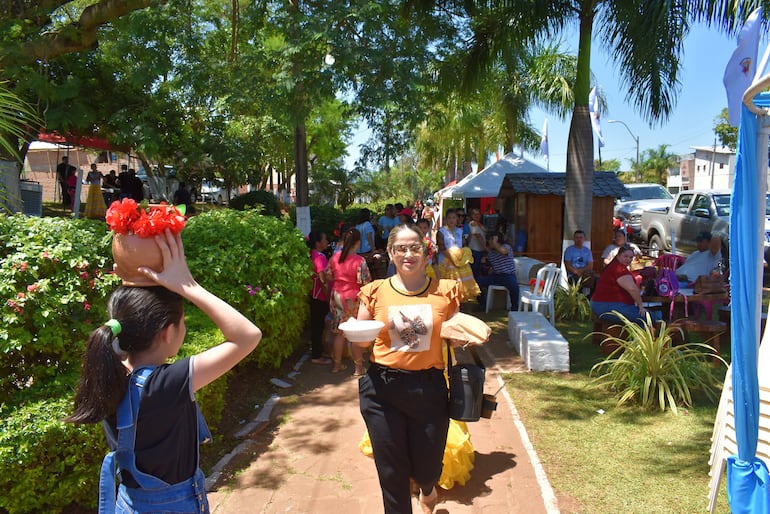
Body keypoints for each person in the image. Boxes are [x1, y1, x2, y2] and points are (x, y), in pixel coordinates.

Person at [65, 230, 262, 513]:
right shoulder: (165, 384)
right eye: (183, 322)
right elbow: (248, 336)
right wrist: (188, 285)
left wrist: (131, 278)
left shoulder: (110, 367)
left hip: (128, 503)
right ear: (167, 332)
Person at [355, 223, 466, 514]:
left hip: (428, 388)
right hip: (382, 388)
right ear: (390, 253)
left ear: (426, 252)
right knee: (391, 470)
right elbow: (360, 343)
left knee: (427, 467)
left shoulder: (446, 291)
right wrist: (355, 338)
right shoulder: (374, 292)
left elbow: (457, 338)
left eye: (414, 247)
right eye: (401, 248)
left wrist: (465, 337)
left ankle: (427, 490)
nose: (408, 253)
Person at [327, 228, 372, 375]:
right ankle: (358, 368)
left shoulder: (335, 258)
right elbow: (366, 282)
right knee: (355, 333)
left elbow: (328, 276)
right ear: (358, 243)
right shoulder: (360, 261)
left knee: (339, 333)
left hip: (337, 296)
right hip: (354, 297)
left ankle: (336, 365)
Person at [591, 245, 661, 325]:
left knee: (642, 317)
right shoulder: (619, 269)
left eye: (631, 257)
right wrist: (640, 306)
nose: (628, 259)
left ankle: (637, 336)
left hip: (601, 305)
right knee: (650, 316)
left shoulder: (612, 266)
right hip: (608, 306)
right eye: (625, 256)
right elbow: (632, 289)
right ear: (618, 256)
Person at [476, 233, 519, 309]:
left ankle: (514, 307)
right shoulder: (491, 253)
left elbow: (503, 252)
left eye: (490, 240)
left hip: (508, 275)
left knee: (514, 286)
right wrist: (479, 237)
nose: (489, 242)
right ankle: (483, 303)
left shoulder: (506, 247)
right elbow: (484, 246)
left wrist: (495, 242)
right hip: (496, 276)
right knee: (478, 281)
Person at [308, 230, 333, 365]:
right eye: (324, 239)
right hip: (319, 296)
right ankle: (316, 355)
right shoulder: (320, 257)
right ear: (318, 243)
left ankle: (318, 351)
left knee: (317, 325)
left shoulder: (312, 254)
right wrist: (329, 297)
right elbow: (323, 280)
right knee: (318, 326)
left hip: (313, 294)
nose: (326, 242)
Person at [467, 208, 487, 279]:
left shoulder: (480, 224)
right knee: (475, 271)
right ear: (471, 215)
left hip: (480, 251)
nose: (476, 216)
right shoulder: (472, 223)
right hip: (475, 251)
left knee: (479, 271)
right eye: (474, 214)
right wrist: (486, 248)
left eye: (478, 214)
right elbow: (478, 236)